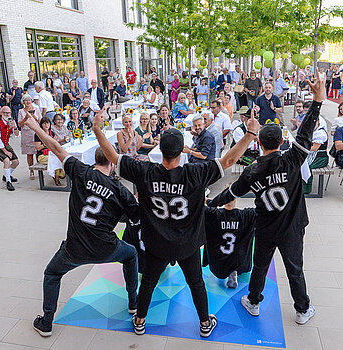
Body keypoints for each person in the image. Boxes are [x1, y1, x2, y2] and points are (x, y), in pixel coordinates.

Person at [91, 103, 260, 337]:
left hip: (157, 243)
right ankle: (204, 324)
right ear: (182, 151)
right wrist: (250, 133)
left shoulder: (145, 171)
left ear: (160, 149)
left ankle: (140, 321)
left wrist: (97, 129)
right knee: (196, 284)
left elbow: (111, 156)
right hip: (187, 244)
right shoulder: (195, 173)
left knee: (148, 282)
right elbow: (228, 161)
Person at [205, 69, 325, 326]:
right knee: (295, 269)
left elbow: (231, 192)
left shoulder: (252, 171)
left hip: (267, 227)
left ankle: (254, 302)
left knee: (260, 265)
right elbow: (304, 133)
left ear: (259, 144)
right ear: (282, 142)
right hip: (293, 227)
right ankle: (303, 309)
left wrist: (210, 203)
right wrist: (317, 102)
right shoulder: (292, 159)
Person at [24, 116, 139, 338]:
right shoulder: (119, 190)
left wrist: (34, 126)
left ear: (94, 160)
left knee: (52, 273)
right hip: (107, 248)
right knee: (131, 254)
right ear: (112, 162)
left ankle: (47, 322)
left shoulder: (80, 171)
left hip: (74, 249)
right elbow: (136, 215)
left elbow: (56, 148)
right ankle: (133, 303)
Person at [203, 198, 256, 289]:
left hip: (218, 265)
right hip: (240, 262)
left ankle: (229, 270)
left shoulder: (213, 214)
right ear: (236, 198)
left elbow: (199, 206)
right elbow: (262, 209)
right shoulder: (246, 215)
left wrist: (207, 201)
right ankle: (233, 271)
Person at [0, 106, 20, 191]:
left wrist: (15, 127)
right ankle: (8, 182)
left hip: (5, 143)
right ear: (1, 113)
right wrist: (5, 151)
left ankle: (6, 175)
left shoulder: (11, 121)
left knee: (16, 162)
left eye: (8, 113)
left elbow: (17, 135)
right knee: (6, 160)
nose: (7, 114)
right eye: (5, 113)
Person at [18, 94, 42, 180]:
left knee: (38, 152)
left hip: (36, 133)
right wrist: (25, 118)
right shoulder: (21, 111)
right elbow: (19, 124)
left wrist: (35, 117)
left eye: (29, 100)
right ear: (23, 102)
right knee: (29, 153)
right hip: (26, 134)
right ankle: (31, 171)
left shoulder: (37, 109)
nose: (28, 102)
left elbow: (41, 122)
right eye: (25, 100)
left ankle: (40, 170)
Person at [303, 118, 329, 194]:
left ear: (318, 122)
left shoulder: (320, 133)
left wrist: (301, 148)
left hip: (320, 158)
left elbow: (314, 148)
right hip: (314, 156)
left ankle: (306, 189)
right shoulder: (314, 132)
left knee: (305, 166)